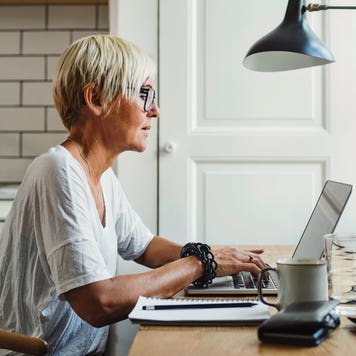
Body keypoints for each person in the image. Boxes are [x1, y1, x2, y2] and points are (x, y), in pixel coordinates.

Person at [0, 34, 266, 355]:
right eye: (144, 94)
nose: (154, 110)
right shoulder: (58, 170)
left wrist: (217, 256)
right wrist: (201, 264)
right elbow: (99, 302)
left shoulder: (101, 175)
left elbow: (145, 247)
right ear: (96, 99)